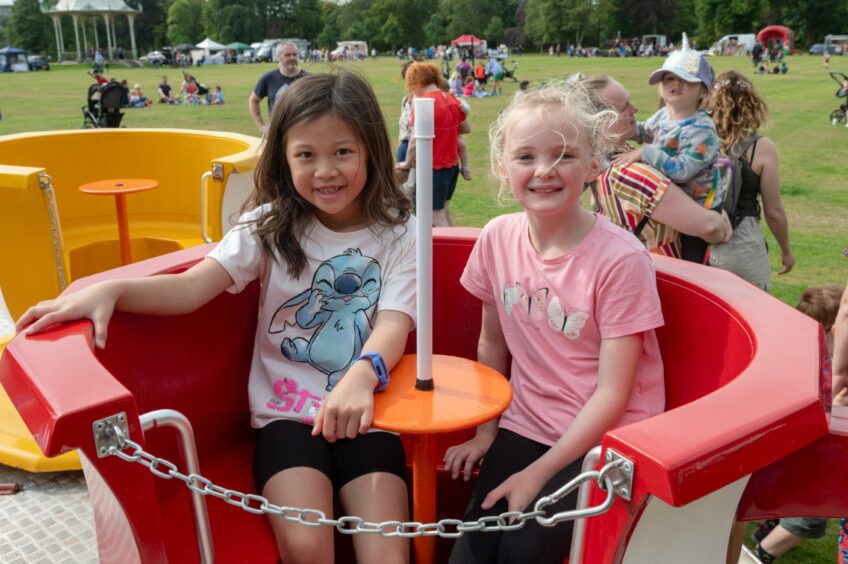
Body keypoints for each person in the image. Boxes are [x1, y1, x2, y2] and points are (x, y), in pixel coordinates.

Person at [16, 71, 415, 564]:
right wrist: (112, 290)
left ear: (371, 149)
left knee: (387, 554)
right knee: (308, 545)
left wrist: (360, 376)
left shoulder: (401, 234)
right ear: (284, 158)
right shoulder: (269, 226)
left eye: (343, 152)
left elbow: (393, 322)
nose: (325, 170)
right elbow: (190, 288)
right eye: (306, 155)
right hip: (286, 416)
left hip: (370, 415)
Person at [445, 80, 666, 564]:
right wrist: (487, 431)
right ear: (504, 168)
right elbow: (492, 341)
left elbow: (614, 393)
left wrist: (539, 473)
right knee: (471, 555)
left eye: (564, 155)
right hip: (525, 423)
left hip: (606, 442)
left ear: (592, 164)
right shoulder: (498, 238)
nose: (544, 171)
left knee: (524, 553)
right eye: (525, 157)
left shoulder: (620, 260)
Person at [744, 284, 844, 563]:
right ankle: (761, 554)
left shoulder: (799, 351)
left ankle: (767, 529)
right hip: (814, 455)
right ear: (830, 326)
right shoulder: (831, 365)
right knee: (807, 518)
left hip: (786, 449)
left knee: (784, 495)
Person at [578, 75, 731, 257]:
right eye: (625, 107)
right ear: (602, 122)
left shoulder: (599, 164)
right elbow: (711, 227)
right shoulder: (632, 173)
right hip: (664, 272)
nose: (635, 109)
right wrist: (718, 217)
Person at [612, 49, 720, 263]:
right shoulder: (663, 116)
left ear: (703, 92)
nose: (676, 84)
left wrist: (646, 152)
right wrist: (621, 126)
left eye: (686, 80)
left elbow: (682, 170)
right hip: (669, 201)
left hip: (697, 208)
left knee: (691, 266)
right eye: (670, 78)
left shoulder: (703, 129)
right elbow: (645, 132)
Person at [705, 71, 794, 291]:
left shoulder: (694, 137)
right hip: (742, 242)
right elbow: (773, 211)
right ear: (751, 103)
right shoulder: (761, 147)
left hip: (698, 239)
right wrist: (786, 250)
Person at [397, 62, 468, 227]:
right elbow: (464, 129)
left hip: (434, 167)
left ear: (415, 81)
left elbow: (414, 139)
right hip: (451, 166)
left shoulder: (424, 103)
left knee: (434, 216)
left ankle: (449, 252)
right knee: (443, 211)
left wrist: (407, 162)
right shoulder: (452, 99)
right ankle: (453, 247)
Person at [249, 41, 307, 135]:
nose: (292, 58)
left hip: (303, 133)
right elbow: (253, 100)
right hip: (276, 134)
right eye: (287, 55)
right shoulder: (268, 78)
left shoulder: (308, 79)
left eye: (294, 54)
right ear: (278, 56)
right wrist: (261, 126)